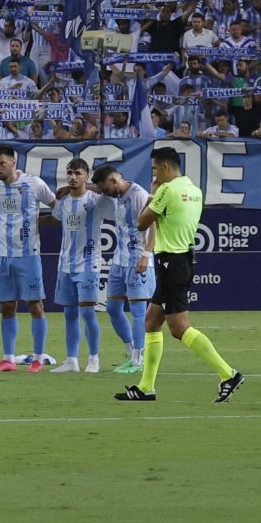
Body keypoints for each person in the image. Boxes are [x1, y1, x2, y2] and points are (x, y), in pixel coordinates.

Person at [117, 148, 243, 403]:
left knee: (178, 327)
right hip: (183, 258)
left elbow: (142, 223)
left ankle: (228, 373)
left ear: (164, 166)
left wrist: (152, 194)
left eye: (154, 169)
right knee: (152, 321)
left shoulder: (166, 189)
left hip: (169, 262)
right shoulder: (195, 191)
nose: (153, 174)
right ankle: (146, 387)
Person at [0, 144, 55, 371]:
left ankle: (37, 358)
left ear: (14, 162)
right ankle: (8, 359)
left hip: (28, 254)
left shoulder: (33, 183)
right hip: (2, 255)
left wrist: (41, 223)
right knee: (6, 306)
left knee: (35, 305)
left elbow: (56, 206)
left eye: (2, 163)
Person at [93, 162, 155, 378]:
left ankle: (139, 358)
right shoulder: (116, 195)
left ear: (113, 180)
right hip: (119, 261)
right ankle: (131, 351)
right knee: (112, 307)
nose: (103, 194)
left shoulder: (139, 194)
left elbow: (155, 222)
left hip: (138, 259)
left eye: (104, 189)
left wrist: (147, 255)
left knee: (138, 311)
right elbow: (99, 191)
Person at [45, 158, 105, 375]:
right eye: (69, 173)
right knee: (69, 314)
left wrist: (88, 187)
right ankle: (71, 359)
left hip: (89, 263)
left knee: (88, 313)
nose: (72, 177)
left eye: (78, 173)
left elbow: (113, 190)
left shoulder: (96, 200)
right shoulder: (63, 202)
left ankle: (94, 358)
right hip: (65, 264)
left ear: (86, 176)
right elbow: (55, 220)